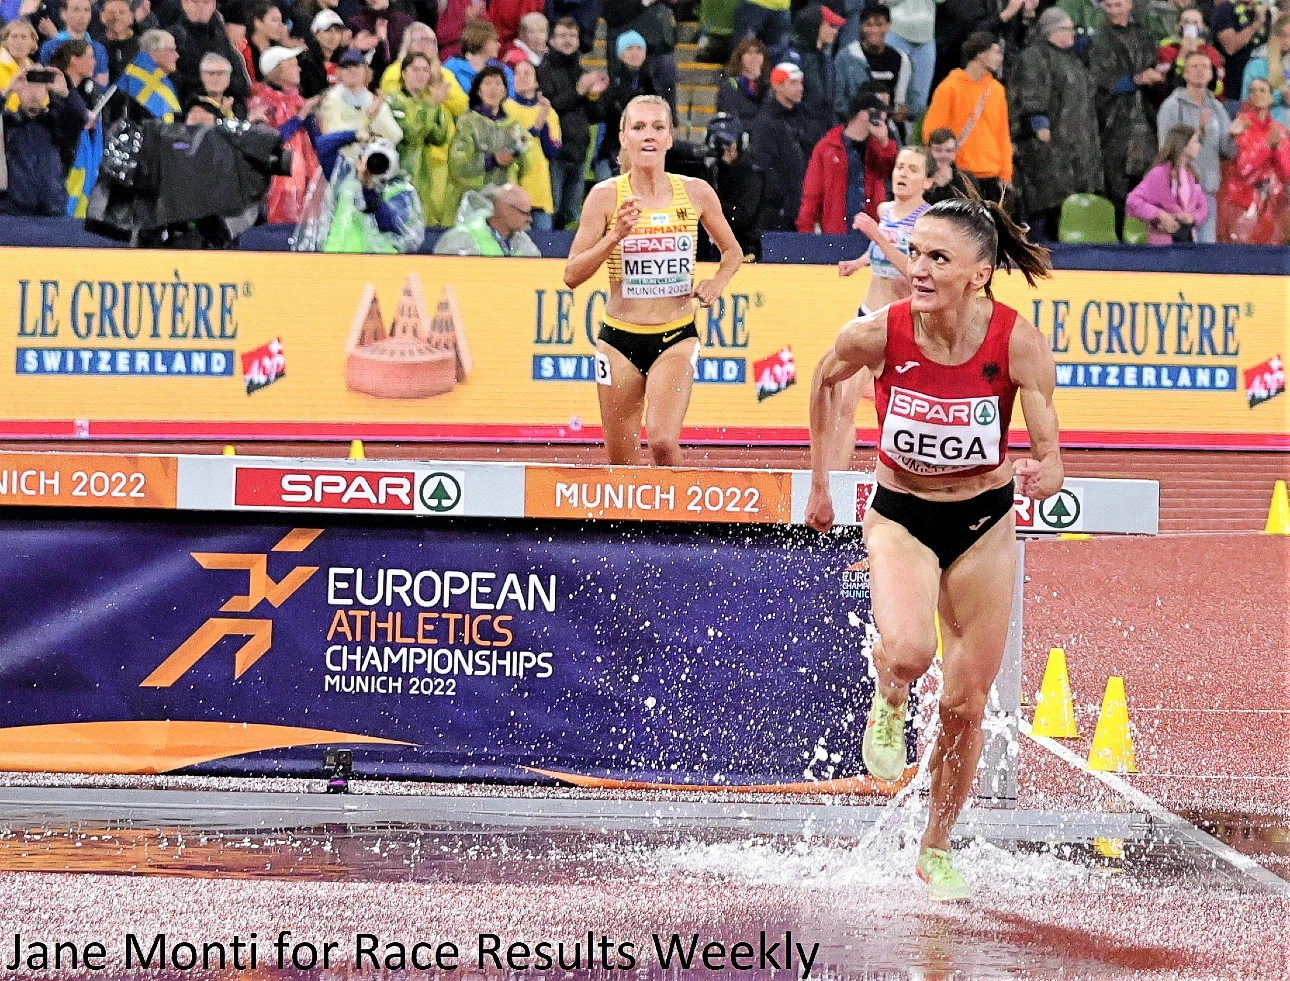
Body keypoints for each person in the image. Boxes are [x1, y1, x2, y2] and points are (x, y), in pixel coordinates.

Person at [805, 195, 1060, 903]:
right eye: (916, 253)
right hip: (902, 517)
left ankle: (936, 844)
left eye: (937, 259)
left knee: (965, 700)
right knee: (914, 652)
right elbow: (822, 384)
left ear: (979, 274)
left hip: (985, 524)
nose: (918, 269)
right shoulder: (879, 332)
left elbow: (1052, 450)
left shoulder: (1016, 341)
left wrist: (1046, 470)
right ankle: (890, 688)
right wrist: (822, 483)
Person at [563, 94, 743, 466]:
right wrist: (614, 237)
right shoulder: (605, 197)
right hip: (618, 341)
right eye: (639, 127)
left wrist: (717, 283)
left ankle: (685, 524)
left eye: (658, 127)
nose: (649, 135)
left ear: (669, 139)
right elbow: (571, 275)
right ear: (624, 137)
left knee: (662, 441)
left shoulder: (695, 192)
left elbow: (733, 252)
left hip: (676, 336)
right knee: (621, 464)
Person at [825, 144, 934, 469]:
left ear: (928, 182)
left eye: (913, 169)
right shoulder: (886, 210)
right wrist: (859, 262)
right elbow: (879, 248)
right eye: (901, 167)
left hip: (901, 327)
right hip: (867, 316)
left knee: (900, 414)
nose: (903, 173)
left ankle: (908, 483)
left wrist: (877, 237)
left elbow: (914, 272)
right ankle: (836, 489)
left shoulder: (927, 222)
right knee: (845, 402)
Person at [1008, 8, 1105, 241]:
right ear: (1054, 30)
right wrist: (1039, 125)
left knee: (1071, 208)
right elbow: (1030, 95)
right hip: (1048, 151)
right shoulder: (1035, 56)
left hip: (1076, 149)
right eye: (1068, 28)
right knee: (1047, 209)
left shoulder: (1073, 59)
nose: (1073, 34)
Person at [1089, 0, 1161, 234]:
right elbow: (1098, 80)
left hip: (1146, 121)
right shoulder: (1099, 38)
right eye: (1108, 6)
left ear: (1129, 5)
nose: (1113, 11)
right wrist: (1137, 80)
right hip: (1114, 122)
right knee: (1116, 185)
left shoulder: (1143, 34)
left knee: (1145, 183)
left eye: (1118, 5)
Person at [922, 32, 1012, 204]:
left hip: (993, 176)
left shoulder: (997, 89)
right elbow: (932, 132)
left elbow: (1003, 134)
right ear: (981, 53)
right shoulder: (950, 87)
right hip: (961, 174)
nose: (1000, 58)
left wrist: (1006, 172)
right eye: (996, 52)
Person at [537, 16, 608, 227]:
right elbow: (550, 108)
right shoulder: (544, 70)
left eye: (572, 36)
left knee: (571, 216)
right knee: (553, 211)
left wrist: (593, 96)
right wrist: (578, 91)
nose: (568, 40)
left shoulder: (581, 71)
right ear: (551, 40)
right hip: (555, 154)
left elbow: (595, 116)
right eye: (562, 35)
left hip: (578, 154)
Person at [1156, 49, 1234, 240]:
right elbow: (1166, 150)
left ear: (1211, 74)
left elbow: (1228, 152)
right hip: (1179, 197)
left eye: (1205, 67)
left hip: (1208, 194)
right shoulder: (1172, 106)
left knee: (1206, 258)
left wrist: (1233, 136)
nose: (1200, 71)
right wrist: (1198, 133)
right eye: (1194, 66)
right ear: (1185, 73)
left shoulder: (1217, 107)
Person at [797, 90, 898, 233]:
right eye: (878, 113)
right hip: (836, 230)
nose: (883, 118)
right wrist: (805, 231)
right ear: (863, 114)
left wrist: (885, 143)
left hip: (873, 232)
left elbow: (891, 173)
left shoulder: (878, 146)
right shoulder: (827, 147)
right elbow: (812, 194)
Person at [249, 45, 322, 222]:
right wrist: (300, 117)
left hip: (307, 175)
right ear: (277, 70)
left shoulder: (298, 100)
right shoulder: (262, 101)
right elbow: (269, 142)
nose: (299, 68)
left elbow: (314, 139)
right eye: (292, 65)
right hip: (282, 179)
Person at [446, 64, 525, 222]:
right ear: (479, 91)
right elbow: (457, 164)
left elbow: (526, 165)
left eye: (497, 84)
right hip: (471, 201)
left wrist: (519, 152)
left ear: (504, 91)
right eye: (487, 83)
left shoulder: (513, 125)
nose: (493, 89)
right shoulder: (468, 122)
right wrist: (492, 160)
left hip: (503, 203)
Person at [1, 67, 85, 215]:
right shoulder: (8, 123)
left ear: (46, 90)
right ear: (19, 90)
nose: (33, 92)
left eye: (39, 86)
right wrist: (7, 90)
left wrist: (66, 93)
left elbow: (78, 117)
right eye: (28, 86)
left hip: (52, 210)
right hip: (12, 210)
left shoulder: (56, 123)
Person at [1217, 76, 1290, 242]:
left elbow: (1286, 173)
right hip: (1242, 203)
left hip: (1271, 207)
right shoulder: (1241, 125)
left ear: (1271, 98)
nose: (1257, 94)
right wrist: (1267, 146)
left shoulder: (1279, 130)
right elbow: (1243, 168)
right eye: (1252, 91)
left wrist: (1276, 149)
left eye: (1262, 90)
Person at [385, 50, 452, 225]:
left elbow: (439, 137)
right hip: (398, 176)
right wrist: (432, 105)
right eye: (416, 69)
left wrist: (436, 107)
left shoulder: (425, 103)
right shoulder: (393, 100)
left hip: (422, 179)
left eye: (425, 70)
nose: (421, 74)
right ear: (404, 73)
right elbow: (410, 134)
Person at [748, 60, 810, 229]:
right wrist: (781, 202)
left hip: (798, 204)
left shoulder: (802, 117)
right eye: (793, 83)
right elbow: (765, 165)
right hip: (776, 210)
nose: (800, 88)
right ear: (778, 86)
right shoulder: (765, 122)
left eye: (801, 83)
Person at [1125, 124, 1208, 241]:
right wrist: (1160, 214)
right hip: (1164, 243)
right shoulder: (1159, 174)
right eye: (1195, 142)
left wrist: (1192, 217)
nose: (1199, 146)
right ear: (1183, 146)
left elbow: (1202, 206)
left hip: (1188, 240)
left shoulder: (1191, 175)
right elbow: (1133, 200)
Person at [504, 56, 559, 228]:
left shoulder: (549, 112)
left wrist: (542, 124)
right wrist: (534, 128)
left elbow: (553, 151)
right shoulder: (505, 108)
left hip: (539, 190)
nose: (521, 77)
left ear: (536, 82)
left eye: (527, 73)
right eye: (517, 73)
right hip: (512, 189)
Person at [782, 2, 844, 151]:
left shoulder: (827, 60)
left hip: (823, 136)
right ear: (814, 26)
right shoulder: (792, 58)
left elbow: (829, 103)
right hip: (800, 140)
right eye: (830, 25)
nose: (835, 31)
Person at [835, 5, 911, 124]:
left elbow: (900, 102)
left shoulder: (901, 59)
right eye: (869, 25)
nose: (874, 30)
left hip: (887, 126)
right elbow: (838, 101)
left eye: (879, 25)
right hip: (852, 124)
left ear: (888, 25)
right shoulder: (845, 57)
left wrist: (900, 112)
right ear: (861, 26)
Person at [599, 31, 658, 175]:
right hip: (612, 151)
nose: (635, 53)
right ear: (620, 54)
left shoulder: (652, 82)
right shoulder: (611, 82)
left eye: (639, 48)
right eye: (629, 48)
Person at [318, 48, 402, 148]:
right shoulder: (331, 100)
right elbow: (335, 134)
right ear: (339, 72)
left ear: (366, 71)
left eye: (357, 66)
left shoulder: (373, 101)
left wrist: (376, 119)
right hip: (341, 159)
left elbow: (395, 135)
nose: (351, 70)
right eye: (346, 67)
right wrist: (367, 118)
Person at [171, 0, 251, 105]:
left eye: (206, 2)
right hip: (192, 105)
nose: (200, 7)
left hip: (228, 103)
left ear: (214, 5)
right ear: (184, 4)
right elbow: (179, 80)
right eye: (195, 2)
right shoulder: (174, 38)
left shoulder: (220, 35)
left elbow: (241, 83)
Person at [433, 181, 542, 253]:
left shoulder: (522, 241)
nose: (530, 219)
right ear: (505, 210)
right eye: (525, 213)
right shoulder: (460, 239)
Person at [1153, 6, 1225, 112]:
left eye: (1195, 22)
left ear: (1202, 28)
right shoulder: (1166, 50)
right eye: (1186, 22)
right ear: (1177, 26)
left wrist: (1197, 56)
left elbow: (1217, 87)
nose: (1190, 26)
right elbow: (1166, 87)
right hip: (1174, 108)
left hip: (1205, 108)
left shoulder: (1210, 52)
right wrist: (1182, 55)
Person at [1212, 0, 1271, 117]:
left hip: (1261, 92)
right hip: (1233, 92)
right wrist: (1256, 24)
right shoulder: (1224, 10)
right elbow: (1231, 47)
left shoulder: (1264, 11)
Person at [346, 0, 414, 89]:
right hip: (368, 86)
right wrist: (378, 40)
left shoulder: (405, 22)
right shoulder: (355, 24)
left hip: (401, 82)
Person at [38, 0, 109, 86]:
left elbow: (102, 86)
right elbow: (45, 82)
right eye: (76, 10)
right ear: (63, 14)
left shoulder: (99, 49)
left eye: (87, 10)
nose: (82, 15)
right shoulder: (49, 46)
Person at [119, 28, 182, 121]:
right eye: (172, 50)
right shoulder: (134, 82)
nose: (177, 55)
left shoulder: (165, 79)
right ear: (154, 53)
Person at [1240, 11, 1289, 127]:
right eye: (1282, 35)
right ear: (1274, 35)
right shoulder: (1256, 64)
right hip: (1260, 125)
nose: (1286, 40)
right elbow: (1246, 104)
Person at [444, 19, 514, 97]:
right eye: (495, 41)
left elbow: (512, 95)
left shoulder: (502, 69)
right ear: (481, 41)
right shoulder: (451, 67)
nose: (499, 45)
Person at [716, 35, 766, 126]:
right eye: (749, 53)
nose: (754, 57)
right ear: (740, 57)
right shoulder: (729, 82)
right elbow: (743, 110)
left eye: (758, 53)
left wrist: (760, 81)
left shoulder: (766, 83)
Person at [923, 126, 974, 204]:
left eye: (949, 150)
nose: (944, 155)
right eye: (938, 150)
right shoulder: (919, 178)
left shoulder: (966, 180)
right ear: (928, 150)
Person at [99, 0, 141, 82]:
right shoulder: (96, 47)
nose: (117, 17)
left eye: (122, 13)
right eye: (111, 13)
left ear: (131, 17)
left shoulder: (142, 46)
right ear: (102, 17)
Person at [198, 52, 241, 117]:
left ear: (229, 78)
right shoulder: (196, 105)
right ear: (202, 76)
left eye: (220, 73)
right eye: (211, 73)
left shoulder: (237, 105)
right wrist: (222, 111)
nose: (216, 78)